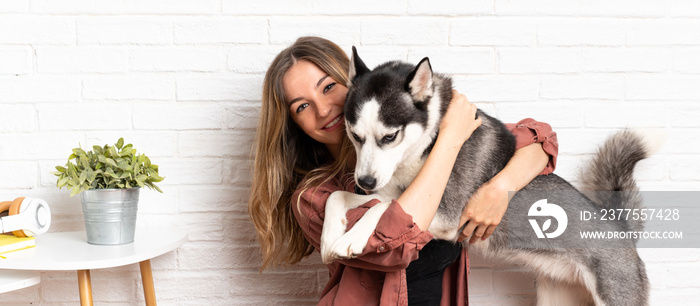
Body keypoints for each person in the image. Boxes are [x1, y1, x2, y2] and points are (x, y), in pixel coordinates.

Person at [249, 36, 558, 305]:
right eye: (302, 106)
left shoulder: (410, 141)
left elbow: (537, 139)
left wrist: (499, 189)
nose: (323, 108)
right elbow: (398, 238)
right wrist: (451, 135)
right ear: (292, 123)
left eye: (328, 87)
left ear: (355, 81)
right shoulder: (312, 197)